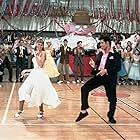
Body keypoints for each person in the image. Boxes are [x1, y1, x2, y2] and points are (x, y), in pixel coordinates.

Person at [75, 35, 121, 123]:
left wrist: (107, 70)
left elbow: (118, 67)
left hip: (109, 78)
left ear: (107, 43)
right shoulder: (100, 54)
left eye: (102, 43)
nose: (100, 45)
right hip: (100, 76)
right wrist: (94, 66)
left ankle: (110, 115)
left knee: (112, 99)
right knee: (84, 88)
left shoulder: (115, 54)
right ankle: (84, 110)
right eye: (100, 43)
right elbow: (97, 67)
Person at [14, 39, 61, 118]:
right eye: (38, 44)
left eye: (41, 45)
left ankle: (41, 111)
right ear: (36, 44)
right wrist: (26, 70)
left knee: (39, 93)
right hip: (34, 74)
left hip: (41, 75)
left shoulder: (43, 53)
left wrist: (35, 55)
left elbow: (41, 65)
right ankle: (20, 109)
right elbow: (36, 67)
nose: (39, 46)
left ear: (43, 46)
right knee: (22, 90)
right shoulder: (36, 52)